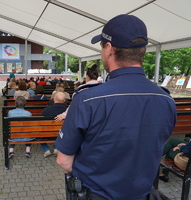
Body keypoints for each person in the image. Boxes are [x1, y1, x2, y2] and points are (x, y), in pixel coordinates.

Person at [55, 14, 177, 200]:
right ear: (142, 51)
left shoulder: (88, 98)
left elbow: (64, 160)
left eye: (102, 46)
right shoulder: (165, 99)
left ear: (109, 49)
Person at [41, 92, 67, 158]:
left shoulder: (46, 110)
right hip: (62, 133)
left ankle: (46, 150)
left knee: (40, 135)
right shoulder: (67, 111)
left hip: (47, 133)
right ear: (64, 101)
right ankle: (56, 148)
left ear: (53, 99)